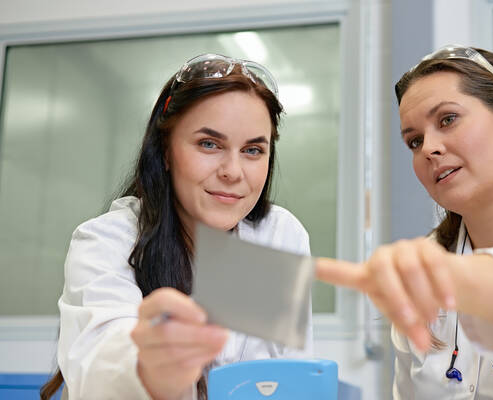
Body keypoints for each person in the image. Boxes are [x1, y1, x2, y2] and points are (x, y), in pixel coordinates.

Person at [317, 45, 493, 399]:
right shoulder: (427, 258)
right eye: (414, 141)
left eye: (447, 119)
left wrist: (449, 278)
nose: (428, 149)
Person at [41, 54, 312, 400]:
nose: (233, 171)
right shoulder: (108, 242)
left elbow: (288, 380)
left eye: (253, 150)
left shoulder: (276, 236)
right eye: (209, 144)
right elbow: (100, 370)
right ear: (166, 152)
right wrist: (150, 368)